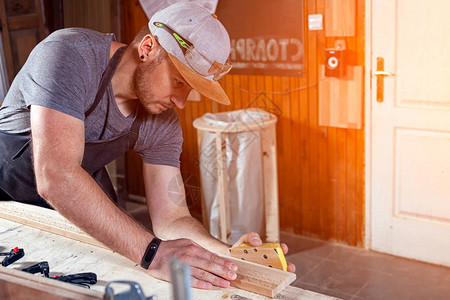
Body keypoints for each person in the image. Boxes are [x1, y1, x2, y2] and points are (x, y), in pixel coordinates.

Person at [0, 2, 295, 288]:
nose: (180, 103)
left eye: (188, 91)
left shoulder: (161, 121)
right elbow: (56, 176)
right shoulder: (69, 55)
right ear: (148, 48)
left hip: (71, 202)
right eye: (179, 82)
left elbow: (172, 217)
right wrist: (153, 253)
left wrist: (226, 256)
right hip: (7, 196)